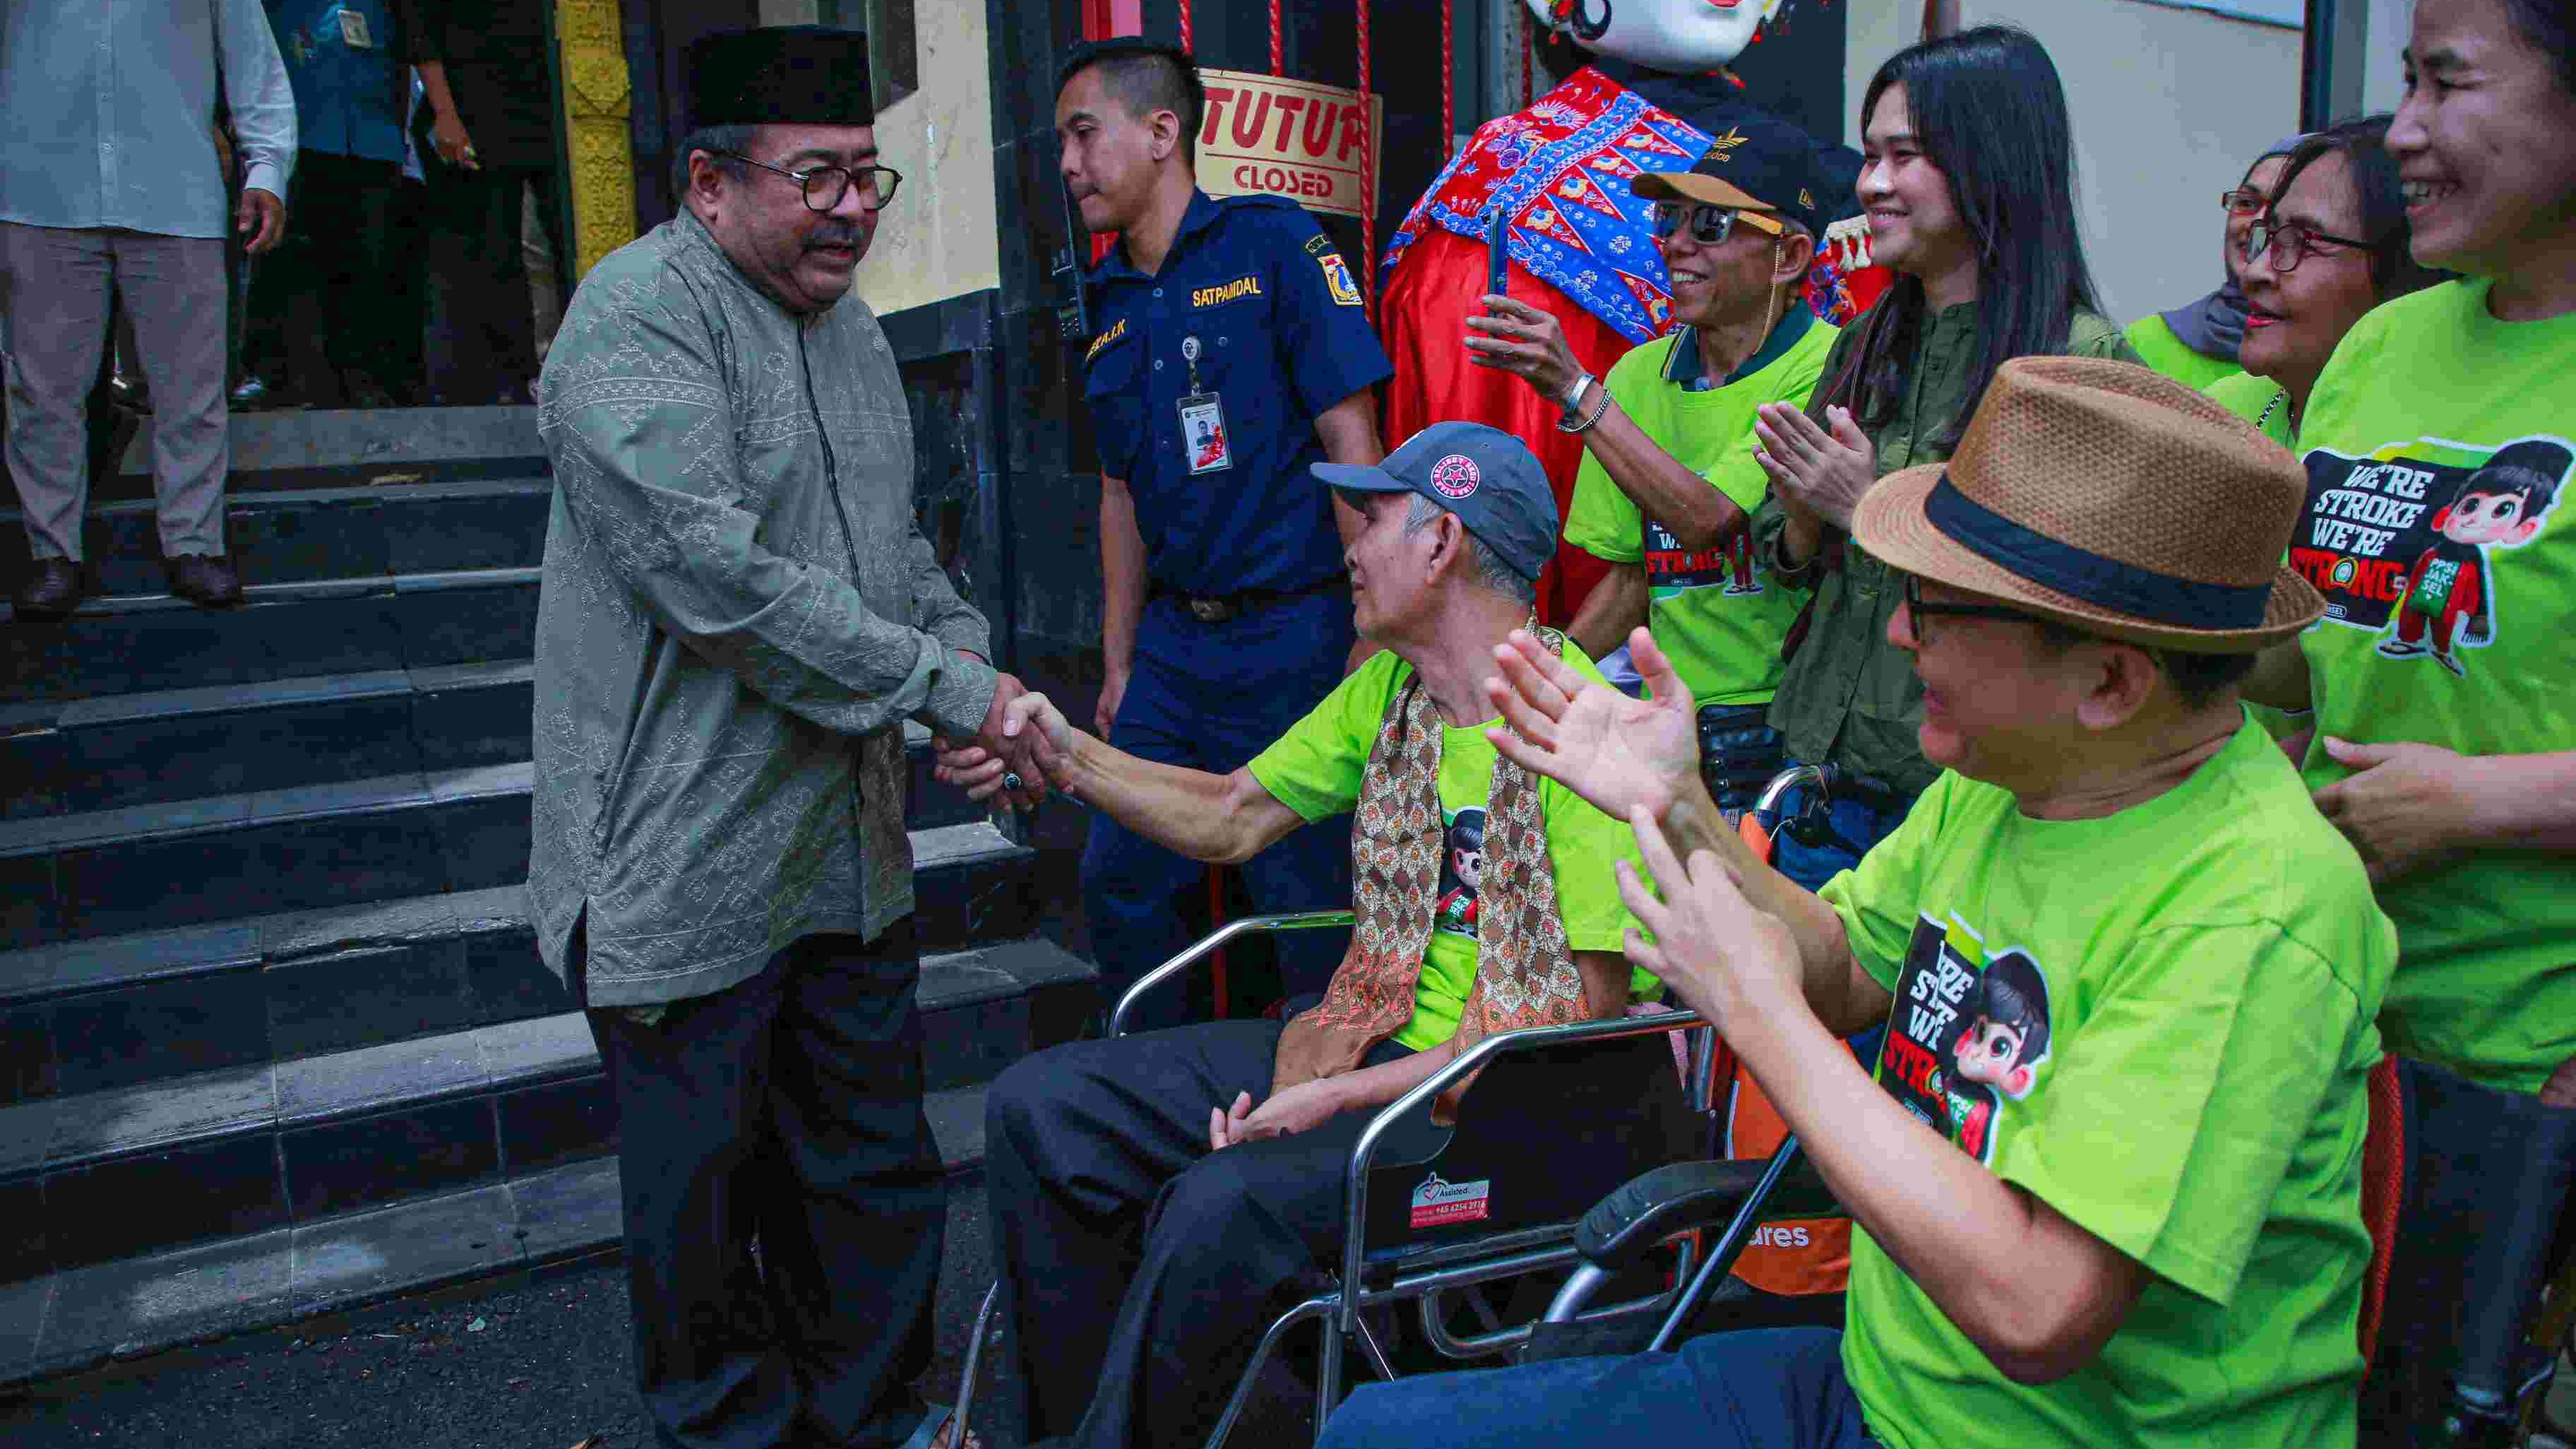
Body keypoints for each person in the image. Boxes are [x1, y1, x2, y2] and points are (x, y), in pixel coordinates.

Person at [1317, 357, 2395, 1449]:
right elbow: (1839, 966)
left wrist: (1758, 1016)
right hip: (1881, 1381)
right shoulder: (2012, 780)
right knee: (1370, 1433)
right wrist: (1680, 804)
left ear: (2110, 683)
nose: (1895, 634)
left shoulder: (2255, 908)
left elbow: (2037, 1305)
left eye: (1934, 607)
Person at [527, 27, 1048, 1449]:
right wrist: (944, 697)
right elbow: (717, 581)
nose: (854, 209)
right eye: (814, 177)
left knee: (873, 1176)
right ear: (707, 185)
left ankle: (876, 1424)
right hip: (678, 858)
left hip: (845, 851)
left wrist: (966, 659)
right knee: (704, 1207)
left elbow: (898, 555)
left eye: (866, 176)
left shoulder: (859, 336)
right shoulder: (634, 319)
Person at [945, 422, 1666, 1449]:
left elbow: (1573, 1019)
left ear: (1441, 543)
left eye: (1372, 518)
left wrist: (1334, 1098)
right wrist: (1066, 754)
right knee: (1042, 1111)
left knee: (1218, 1205)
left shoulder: (1581, 728)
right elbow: (1232, 813)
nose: (1349, 544)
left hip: (1517, 1109)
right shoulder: (1390, 696)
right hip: (1365, 1034)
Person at [2240, 2, 2576, 1441]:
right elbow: (2293, 667)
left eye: (2449, 84)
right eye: (2404, 84)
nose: (2410, 136)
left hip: (2534, 1066)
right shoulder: (2383, 353)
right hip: (2340, 1024)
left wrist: (2485, 805)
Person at [1745, 25, 2139, 888]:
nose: (1870, 183)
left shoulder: (2081, 366)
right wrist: (1807, 513)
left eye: (1906, 155)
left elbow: (2078, 600)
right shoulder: (1863, 341)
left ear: (1989, 163)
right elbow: (1780, 558)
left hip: (1971, 809)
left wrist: (1872, 506)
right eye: (1871, 153)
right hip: (1818, 781)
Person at [1058, 38, 1393, 1025]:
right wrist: (1119, 665)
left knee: (1305, 902)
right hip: (1173, 645)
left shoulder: (1275, 247)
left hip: (1293, 632)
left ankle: (1314, 1124)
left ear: (1162, 132)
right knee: (1119, 877)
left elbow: (1352, 438)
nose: (1070, 166)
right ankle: (1143, 1099)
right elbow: (1119, 496)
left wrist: (1372, 635)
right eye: (1062, 145)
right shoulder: (1109, 304)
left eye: (1085, 136)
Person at [1462, 114, 1841, 818]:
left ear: (1789, 258)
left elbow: (1707, 521)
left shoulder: (1828, 364)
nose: (1674, 244)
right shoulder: (1637, 376)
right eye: (1670, 219)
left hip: (1790, 729)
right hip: (1668, 721)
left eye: (1711, 226)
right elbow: (1638, 578)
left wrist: (1575, 392)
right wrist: (1535, 686)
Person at [1, 0, 294, 618]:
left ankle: (195, 546)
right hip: (41, 191)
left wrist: (267, 167)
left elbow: (252, 60)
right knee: (43, 391)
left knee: (193, 390)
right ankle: (53, 553)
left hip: (174, 193)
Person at [2210, 118, 2443, 451]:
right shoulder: (2221, 416)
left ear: (2404, 269)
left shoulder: (2435, 447)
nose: (2253, 272)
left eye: (2304, 242)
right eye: (2271, 237)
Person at [239, 0, 419, 410]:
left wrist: (398, 142)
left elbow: (403, 68)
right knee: (281, 266)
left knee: (365, 268)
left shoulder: (384, 8)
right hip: (299, 145)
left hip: (372, 146)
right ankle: (270, 375)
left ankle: (361, 376)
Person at [410, 0, 566, 405]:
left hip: (552, 98)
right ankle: (512, 374)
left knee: (563, 239)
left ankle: (574, 365)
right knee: (495, 245)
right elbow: (421, 31)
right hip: (476, 105)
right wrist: (446, 114)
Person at [2123, 135, 2307, 390]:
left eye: (2282, 209)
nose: (2258, 225)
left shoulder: (2330, 358)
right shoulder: (2144, 343)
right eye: (2247, 203)